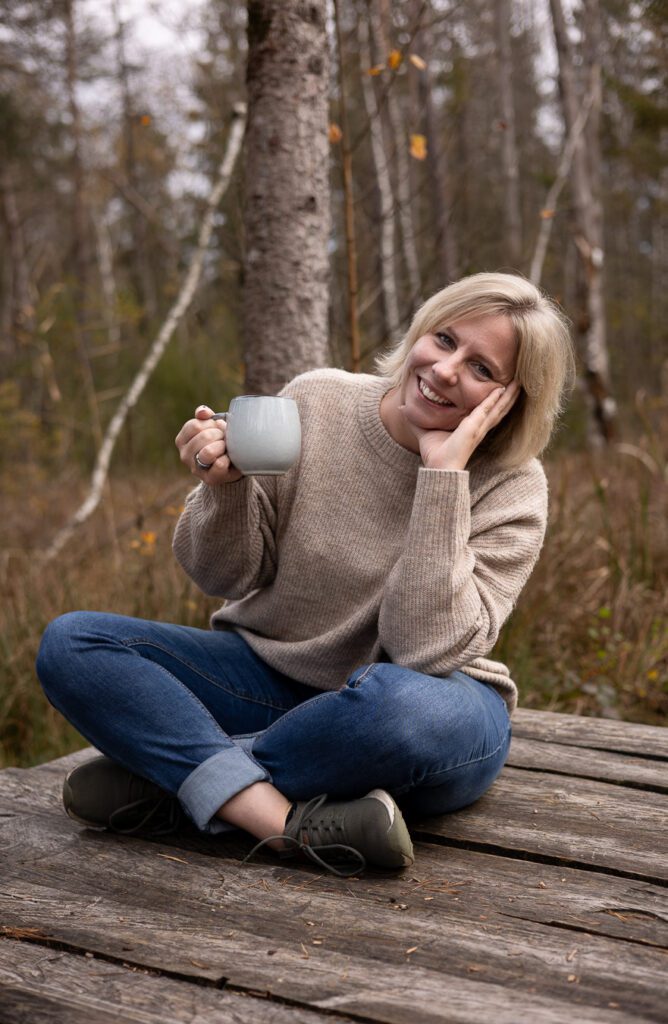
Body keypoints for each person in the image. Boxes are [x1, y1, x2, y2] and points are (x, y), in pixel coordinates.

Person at [36, 272, 575, 876]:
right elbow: (223, 576)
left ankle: (185, 784)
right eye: (445, 340)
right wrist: (225, 490)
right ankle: (279, 823)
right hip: (268, 679)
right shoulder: (319, 402)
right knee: (74, 642)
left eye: (483, 370)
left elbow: (424, 650)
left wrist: (444, 478)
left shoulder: (515, 485)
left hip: (419, 707)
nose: (447, 370)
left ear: (514, 399)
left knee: (404, 709)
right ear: (420, 332)